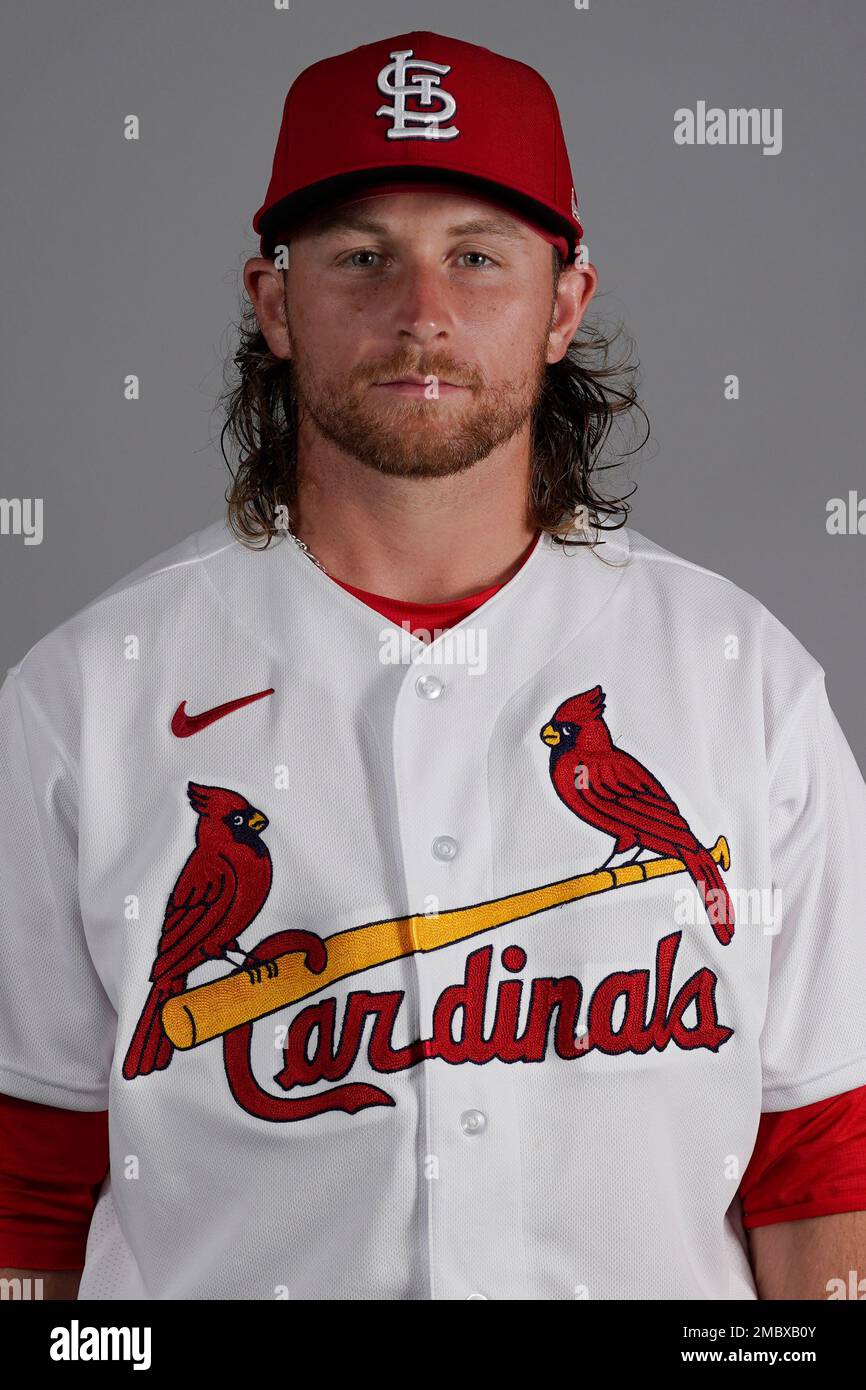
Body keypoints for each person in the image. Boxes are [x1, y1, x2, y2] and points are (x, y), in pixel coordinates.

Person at [1, 29, 865, 1302]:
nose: (422, 313)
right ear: (272, 302)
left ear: (563, 302)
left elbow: (820, 1163)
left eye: (475, 255)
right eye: (360, 257)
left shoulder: (741, 678)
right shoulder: (85, 697)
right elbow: (29, 1175)